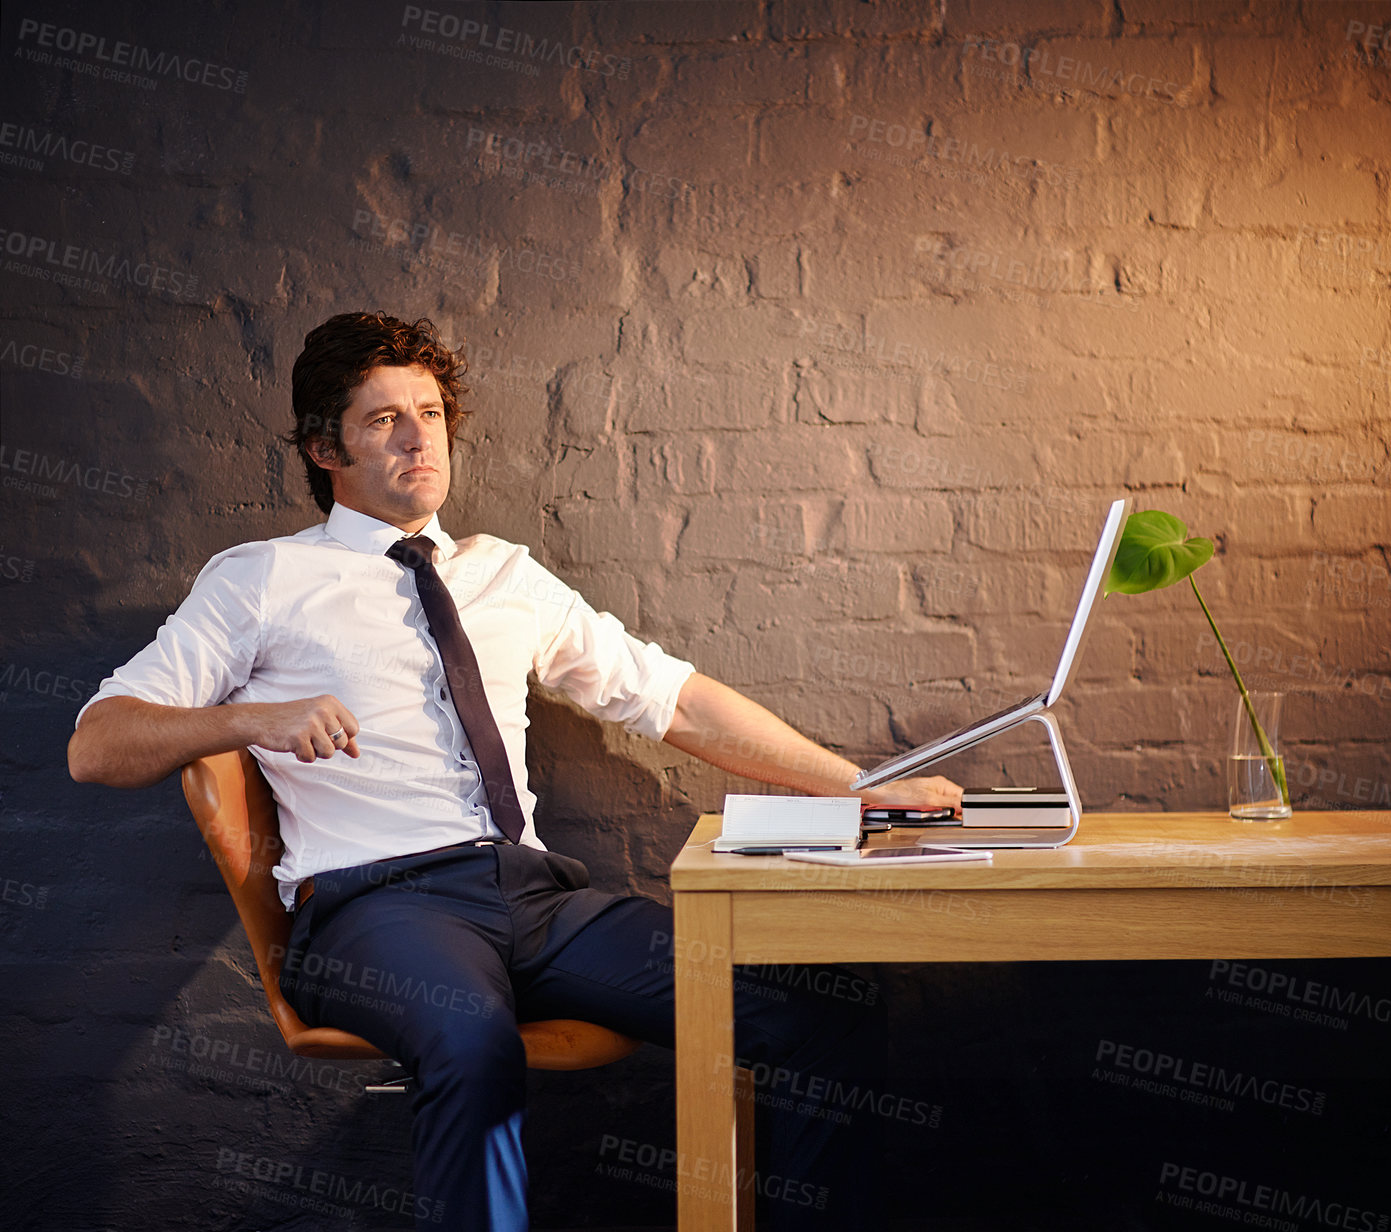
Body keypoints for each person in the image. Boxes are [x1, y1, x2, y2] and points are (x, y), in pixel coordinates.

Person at [67, 311, 960, 1232]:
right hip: (379, 910)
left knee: (815, 1011)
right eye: (383, 420)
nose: (420, 439)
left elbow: (673, 700)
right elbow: (97, 743)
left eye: (430, 412)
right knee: (469, 1040)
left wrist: (851, 786)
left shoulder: (505, 575)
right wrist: (257, 718)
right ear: (321, 448)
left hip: (537, 904)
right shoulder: (261, 579)